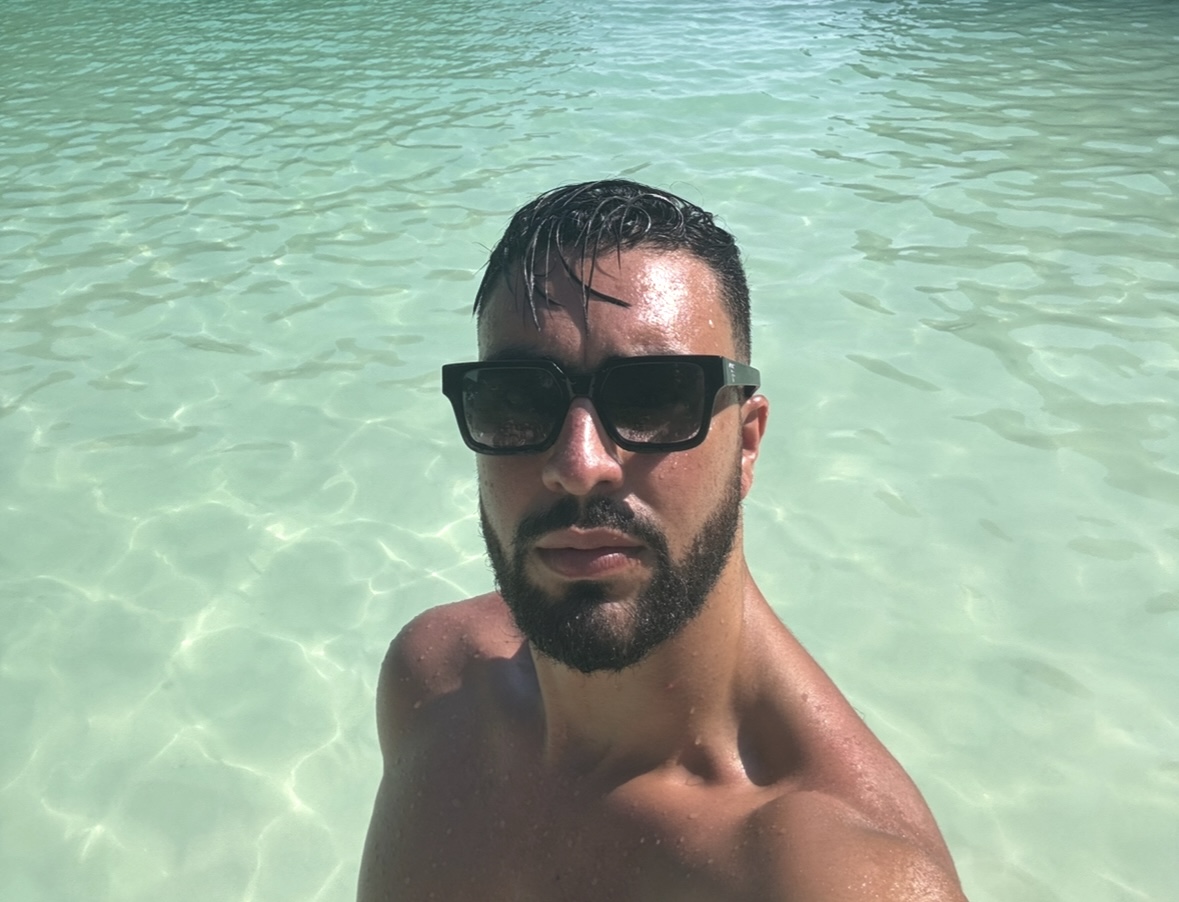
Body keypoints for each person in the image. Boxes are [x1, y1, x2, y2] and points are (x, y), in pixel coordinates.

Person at [358, 179, 966, 901]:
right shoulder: (435, 684)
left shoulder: (836, 876)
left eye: (653, 397)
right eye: (519, 399)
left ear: (746, 443)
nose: (578, 465)